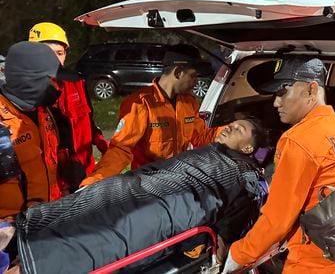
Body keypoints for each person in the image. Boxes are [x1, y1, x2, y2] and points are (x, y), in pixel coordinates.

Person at [15, 117, 268, 273]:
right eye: (232, 124)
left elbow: (227, 232)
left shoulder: (242, 180)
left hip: (161, 209)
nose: (229, 127)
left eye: (238, 129)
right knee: (97, 199)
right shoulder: (208, 151)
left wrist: (217, 262)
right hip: (139, 186)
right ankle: (21, 244)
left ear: (248, 148)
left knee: (101, 233)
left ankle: (32, 261)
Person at [222, 57, 335, 274]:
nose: (276, 103)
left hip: (314, 267)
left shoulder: (297, 141)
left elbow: (277, 220)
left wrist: (238, 255)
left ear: (311, 89)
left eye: (283, 92)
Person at [80, 45, 215, 187]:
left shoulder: (189, 102)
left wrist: (233, 130)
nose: (195, 83)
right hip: (147, 185)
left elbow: (200, 137)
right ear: (178, 73)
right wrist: (94, 181)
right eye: (193, 76)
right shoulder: (140, 103)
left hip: (178, 181)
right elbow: (121, 149)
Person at [28, 22, 108, 192]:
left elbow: (89, 121)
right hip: (52, 183)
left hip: (84, 173)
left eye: (60, 53)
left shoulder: (77, 82)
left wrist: (104, 145)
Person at [0, 41, 70, 219]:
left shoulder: (44, 112)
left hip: (46, 221)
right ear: (26, 79)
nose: (56, 87)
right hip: (9, 234)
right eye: (49, 80)